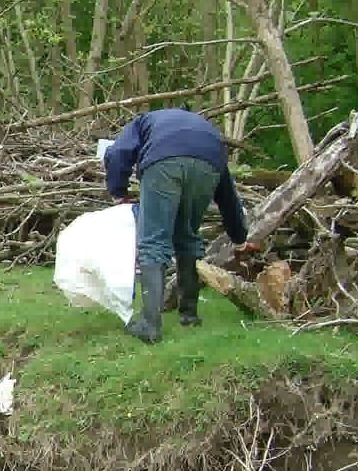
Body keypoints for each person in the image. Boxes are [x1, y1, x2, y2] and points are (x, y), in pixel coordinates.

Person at [103, 108, 256, 343]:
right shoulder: (206, 132)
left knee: (153, 242)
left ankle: (150, 324)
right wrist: (240, 239)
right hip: (209, 165)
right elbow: (228, 196)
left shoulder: (143, 120)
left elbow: (116, 153)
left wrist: (118, 192)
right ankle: (189, 315)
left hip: (163, 161)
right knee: (187, 236)